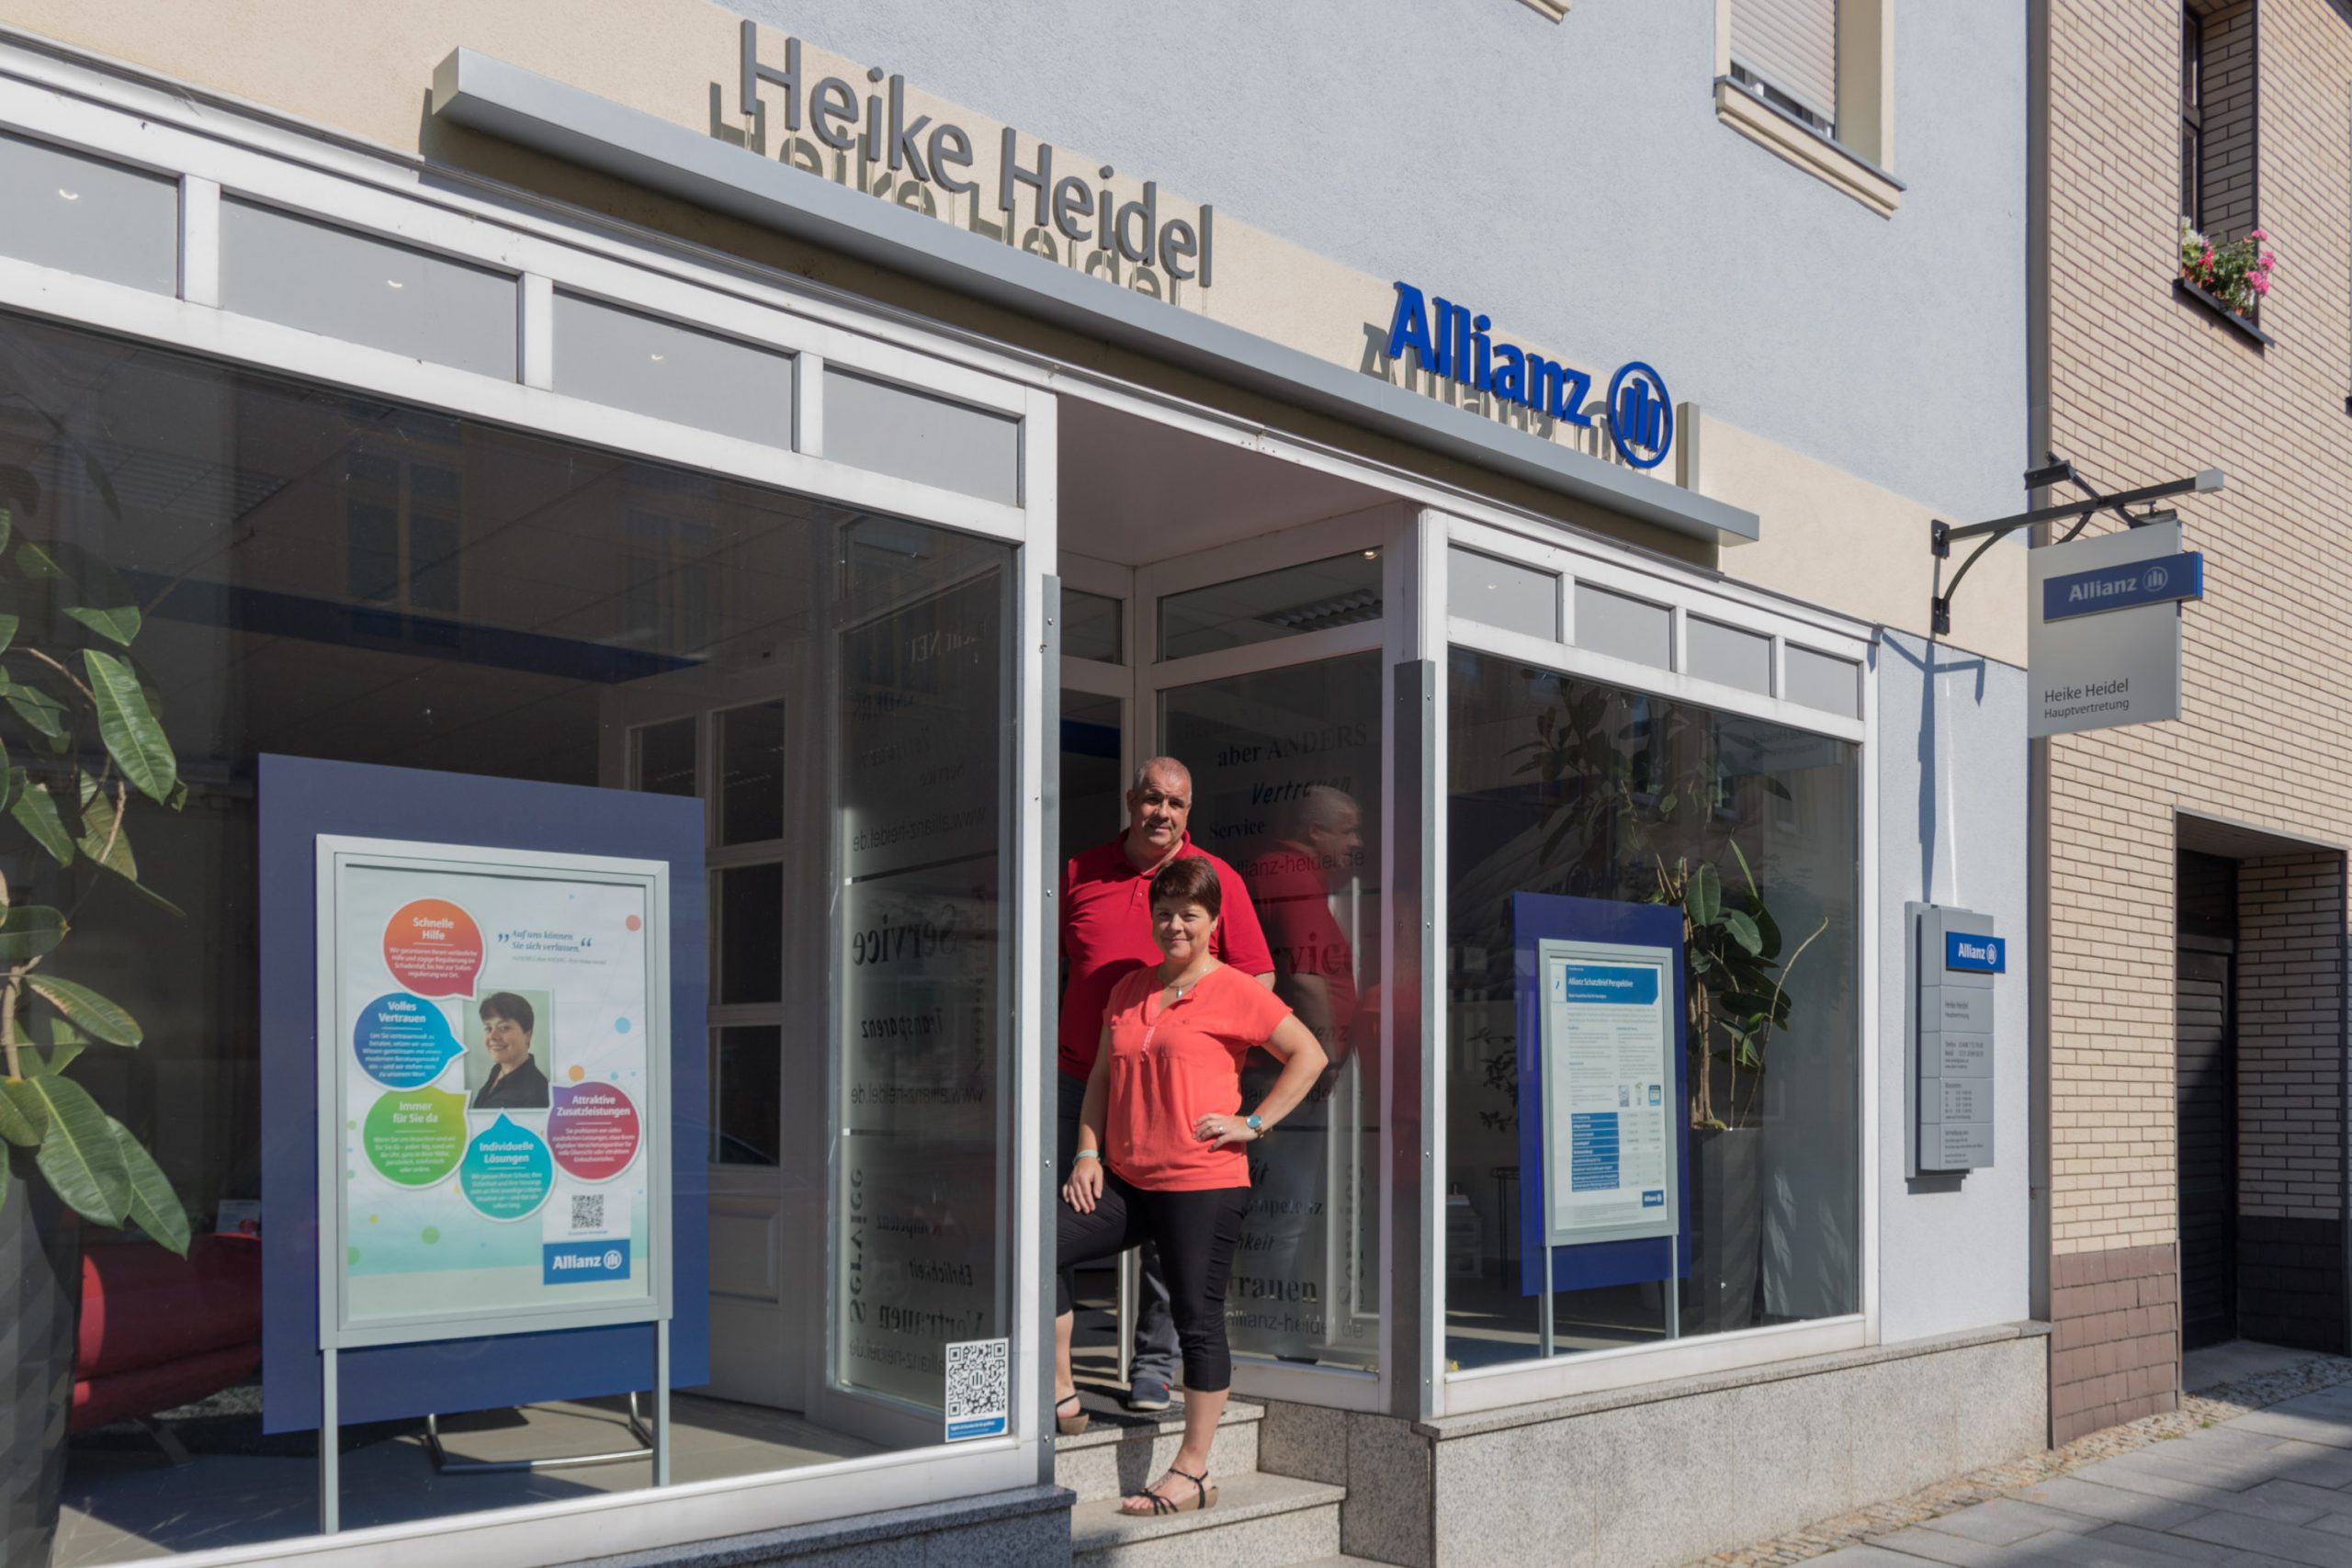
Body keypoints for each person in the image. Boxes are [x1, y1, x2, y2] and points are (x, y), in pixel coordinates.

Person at [1056, 856, 1327, 1515]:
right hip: (1126, 1179)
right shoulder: (1129, 988)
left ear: (1213, 922)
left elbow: (1309, 1054)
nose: (1174, 925)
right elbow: (1100, 1078)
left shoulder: (1235, 989)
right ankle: (1060, 1389)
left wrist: (1253, 1123)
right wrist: (1087, 1152)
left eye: (1189, 914)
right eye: (1164, 913)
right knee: (1037, 1243)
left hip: (1201, 1182)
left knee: (1196, 1321)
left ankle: (1193, 1469)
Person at [1059, 756, 1273, 1412]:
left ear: (1189, 810)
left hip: (1172, 1087)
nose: (1163, 813)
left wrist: (1206, 1058)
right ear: (1131, 800)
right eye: (1153, 799)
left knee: (1171, 1235)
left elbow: (1258, 977)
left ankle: (1154, 1365)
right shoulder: (1078, 872)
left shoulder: (1214, 877)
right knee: (1059, 1223)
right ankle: (1057, 1379)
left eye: (1176, 803)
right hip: (1081, 1076)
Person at [470, 992, 549, 1111]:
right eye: (488, 1028)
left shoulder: (535, 1095)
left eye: (504, 1028)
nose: (492, 1036)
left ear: (527, 1035)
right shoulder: (498, 1070)